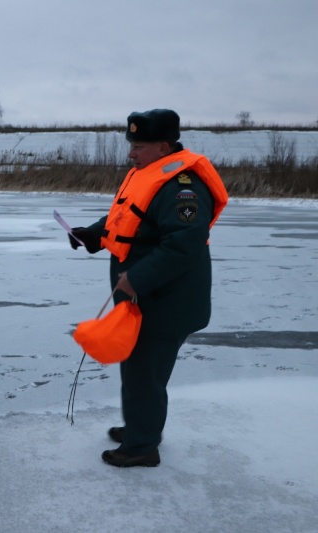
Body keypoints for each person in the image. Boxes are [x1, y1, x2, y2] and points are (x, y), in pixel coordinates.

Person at [69, 109, 228, 467]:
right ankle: (141, 427)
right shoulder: (148, 175)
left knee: (145, 374)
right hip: (146, 300)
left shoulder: (182, 187)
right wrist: (92, 234)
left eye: (138, 146)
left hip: (165, 302)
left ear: (162, 146)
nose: (131, 153)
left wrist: (137, 278)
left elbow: (183, 246)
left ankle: (142, 447)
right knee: (138, 369)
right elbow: (125, 218)